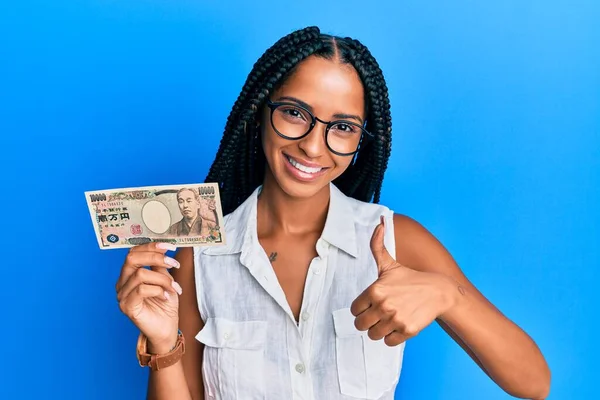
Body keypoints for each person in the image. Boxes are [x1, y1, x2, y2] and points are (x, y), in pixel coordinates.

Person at [115, 26, 551, 400]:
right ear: (258, 113)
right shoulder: (199, 258)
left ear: (362, 140)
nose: (311, 145)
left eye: (342, 127)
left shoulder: (399, 240)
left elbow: (533, 382)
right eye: (294, 113)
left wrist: (447, 294)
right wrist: (161, 340)